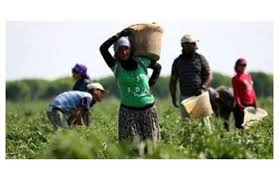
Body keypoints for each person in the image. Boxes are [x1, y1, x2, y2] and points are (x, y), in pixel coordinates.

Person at [99, 27, 162, 142]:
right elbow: (103, 49)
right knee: (131, 148)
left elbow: (158, 67)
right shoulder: (115, 65)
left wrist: (151, 83)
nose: (124, 52)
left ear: (130, 49)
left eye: (126, 48)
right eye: (120, 50)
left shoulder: (142, 61)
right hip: (128, 113)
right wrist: (118, 35)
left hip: (148, 111)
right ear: (116, 52)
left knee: (151, 147)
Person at [169, 34, 212, 118]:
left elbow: (209, 75)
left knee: (204, 124)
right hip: (185, 97)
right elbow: (173, 81)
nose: (195, 46)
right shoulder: (177, 61)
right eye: (192, 44)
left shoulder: (200, 58)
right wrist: (173, 97)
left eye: (194, 44)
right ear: (184, 45)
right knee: (187, 124)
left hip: (200, 96)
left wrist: (203, 87)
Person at [232, 58, 257, 129]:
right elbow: (236, 93)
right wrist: (239, 104)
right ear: (237, 66)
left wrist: (255, 103)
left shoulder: (248, 76)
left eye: (244, 65)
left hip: (250, 104)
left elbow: (252, 90)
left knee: (251, 125)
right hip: (242, 106)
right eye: (241, 65)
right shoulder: (235, 78)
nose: (243, 67)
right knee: (241, 126)